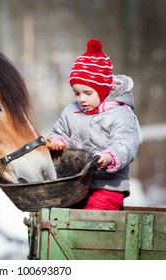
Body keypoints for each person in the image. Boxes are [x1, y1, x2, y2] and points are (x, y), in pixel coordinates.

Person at [47, 39, 142, 210]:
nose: (81, 99)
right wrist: (57, 142)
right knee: (58, 213)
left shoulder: (121, 114)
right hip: (74, 184)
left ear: (103, 90)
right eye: (76, 93)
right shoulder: (71, 111)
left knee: (93, 216)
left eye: (88, 93)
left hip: (107, 186)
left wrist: (108, 157)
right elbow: (59, 131)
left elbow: (125, 144)